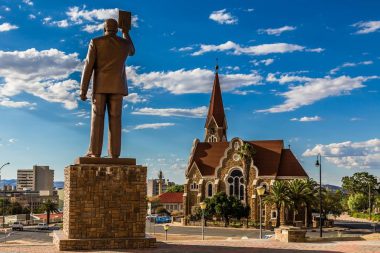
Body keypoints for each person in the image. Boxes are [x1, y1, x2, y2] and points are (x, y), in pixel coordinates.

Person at [80, 18, 135, 158]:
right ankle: (115, 154)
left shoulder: (96, 42)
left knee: (97, 119)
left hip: (100, 87)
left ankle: (94, 152)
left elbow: (88, 66)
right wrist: (126, 33)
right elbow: (132, 51)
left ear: (104, 28)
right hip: (117, 86)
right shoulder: (124, 43)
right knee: (116, 119)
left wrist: (83, 90)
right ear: (116, 29)